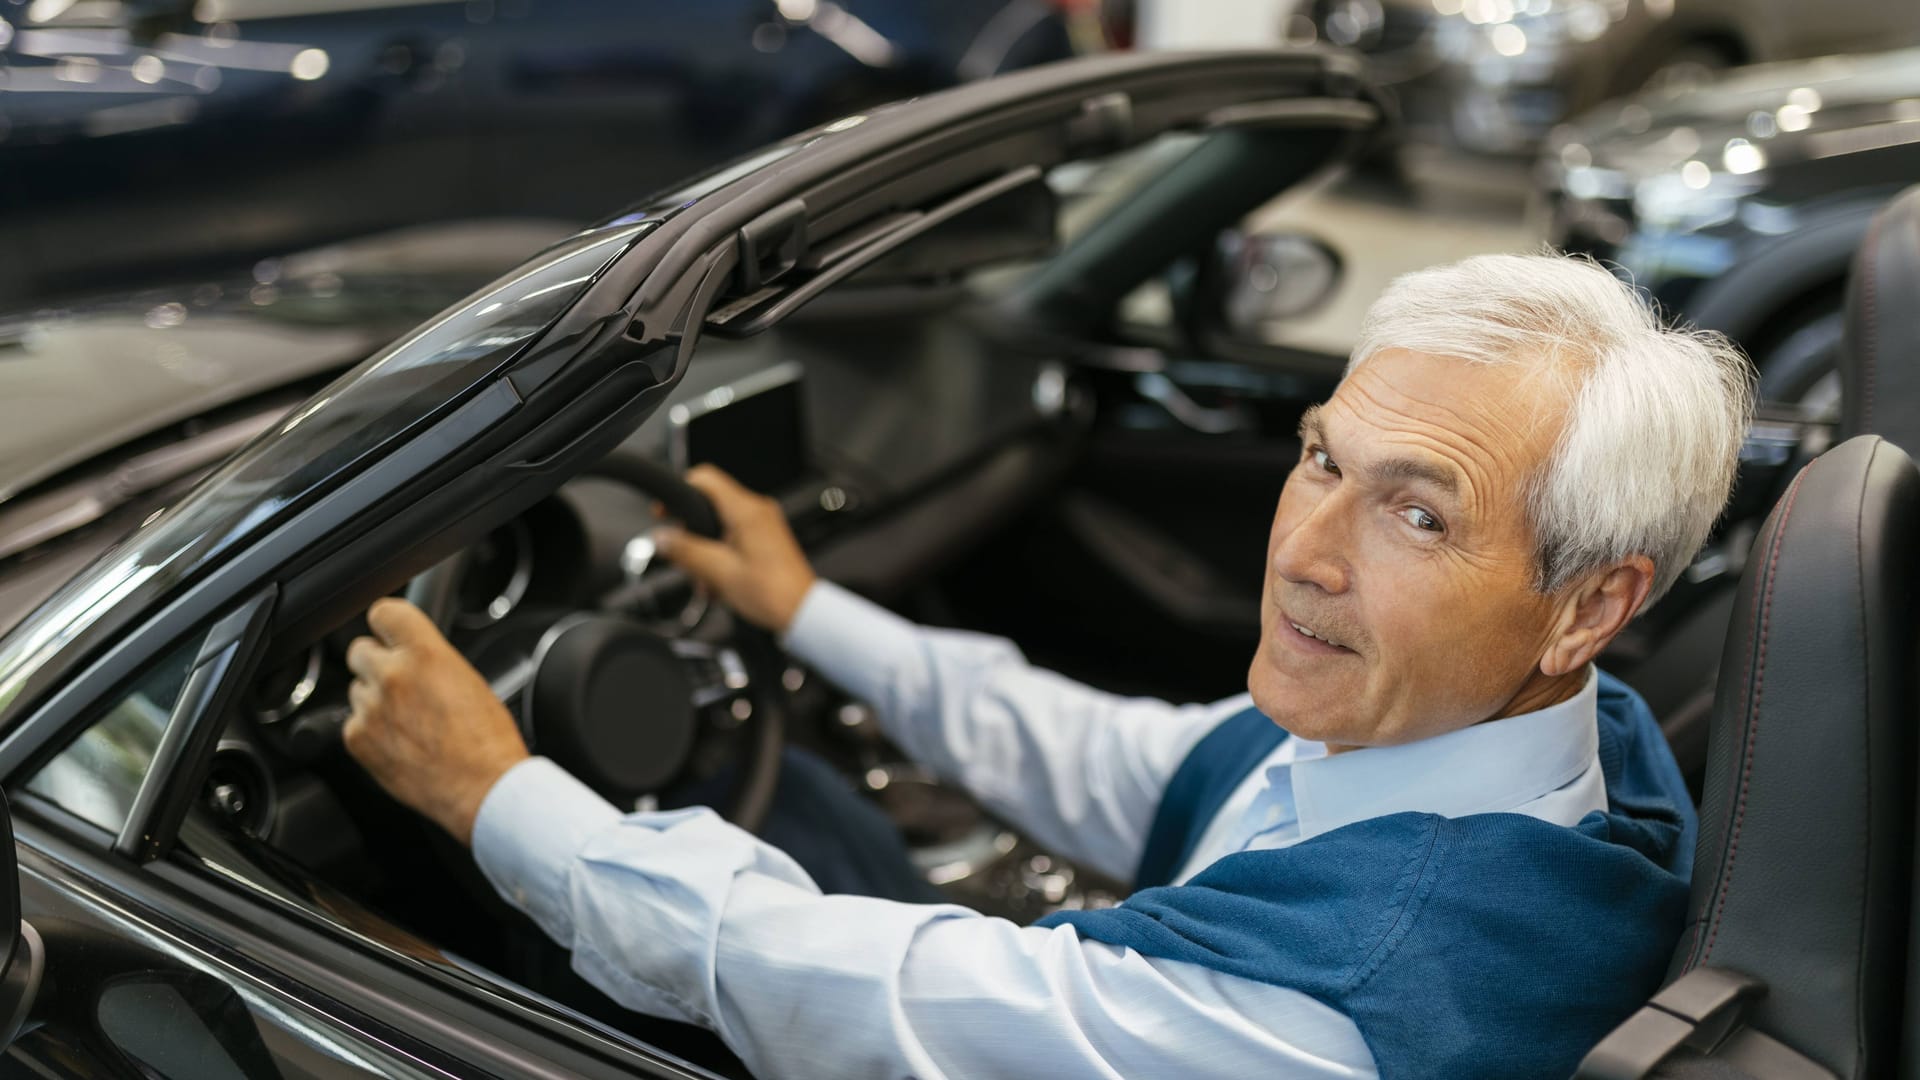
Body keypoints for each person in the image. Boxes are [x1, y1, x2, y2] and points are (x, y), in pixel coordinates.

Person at [339, 253, 1753, 1079]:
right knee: (792, 802)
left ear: (1588, 604)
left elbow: (843, 991)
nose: (1306, 552)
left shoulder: (1330, 1011)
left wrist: (493, 797)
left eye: (1417, 512)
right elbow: (1120, 758)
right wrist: (806, 605)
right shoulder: (1567, 733)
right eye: (1322, 456)